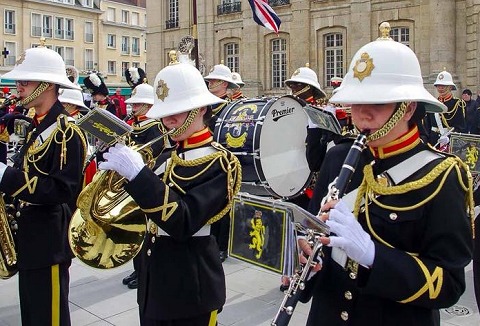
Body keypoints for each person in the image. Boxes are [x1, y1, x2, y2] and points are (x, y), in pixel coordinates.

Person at [301, 22, 473, 326]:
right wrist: (304, 261)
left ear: (406, 108)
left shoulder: (443, 175)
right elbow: (320, 241)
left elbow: (448, 284)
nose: (362, 114)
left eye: (376, 104)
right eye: (356, 102)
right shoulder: (339, 157)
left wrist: (373, 257)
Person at [98, 55, 242, 325]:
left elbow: (182, 221)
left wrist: (139, 175)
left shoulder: (219, 162)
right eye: (165, 113)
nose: (168, 120)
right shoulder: (165, 155)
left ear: (201, 108)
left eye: (177, 111)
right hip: (155, 286)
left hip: (190, 292)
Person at [0, 45, 87, 325]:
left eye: (25, 81)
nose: (18, 87)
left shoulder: (67, 131)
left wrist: (6, 177)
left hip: (48, 240)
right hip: (29, 236)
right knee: (32, 314)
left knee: (48, 317)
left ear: (46, 85)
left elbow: (62, 190)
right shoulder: (37, 124)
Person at [120, 77, 175, 290]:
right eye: (132, 104)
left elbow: (154, 154)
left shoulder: (153, 126)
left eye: (136, 104)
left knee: (144, 228)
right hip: (133, 180)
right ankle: (137, 268)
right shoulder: (135, 125)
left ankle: (143, 270)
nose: (133, 108)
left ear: (147, 105)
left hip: (148, 178)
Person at [204, 62, 239, 263]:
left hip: (222, 157)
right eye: (209, 80)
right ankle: (210, 240)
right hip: (207, 155)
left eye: (215, 81)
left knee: (223, 203)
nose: (210, 83)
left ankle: (222, 245)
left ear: (225, 85)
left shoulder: (229, 107)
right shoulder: (206, 105)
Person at [423, 69, 466, 146]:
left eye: (443, 86)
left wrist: (449, 138)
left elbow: (461, 128)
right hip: (433, 141)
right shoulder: (433, 103)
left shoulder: (458, 104)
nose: (440, 88)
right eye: (438, 85)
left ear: (450, 87)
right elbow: (427, 126)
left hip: (449, 142)